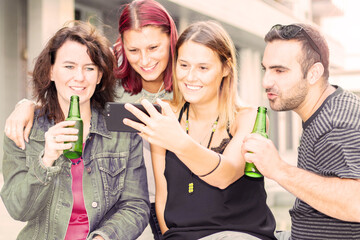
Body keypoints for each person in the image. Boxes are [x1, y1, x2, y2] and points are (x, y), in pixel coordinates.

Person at [3, 0, 178, 239]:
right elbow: (17, 209)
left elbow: (135, 205)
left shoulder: (123, 128)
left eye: (89, 68)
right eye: (68, 66)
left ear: (100, 76)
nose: (79, 77)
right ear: (51, 71)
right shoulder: (23, 130)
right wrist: (46, 159)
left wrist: (103, 237)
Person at [124, 21, 276, 240]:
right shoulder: (165, 114)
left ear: (225, 68)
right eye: (184, 65)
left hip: (238, 235)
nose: (190, 77)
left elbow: (226, 174)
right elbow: (163, 197)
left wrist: (178, 141)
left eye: (203, 68)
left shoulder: (249, 118)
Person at [241, 23, 360, 239]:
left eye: (279, 70)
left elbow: (356, 204)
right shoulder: (322, 111)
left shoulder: (336, 122)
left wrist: (278, 169)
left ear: (313, 73)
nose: (266, 81)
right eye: (265, 69)